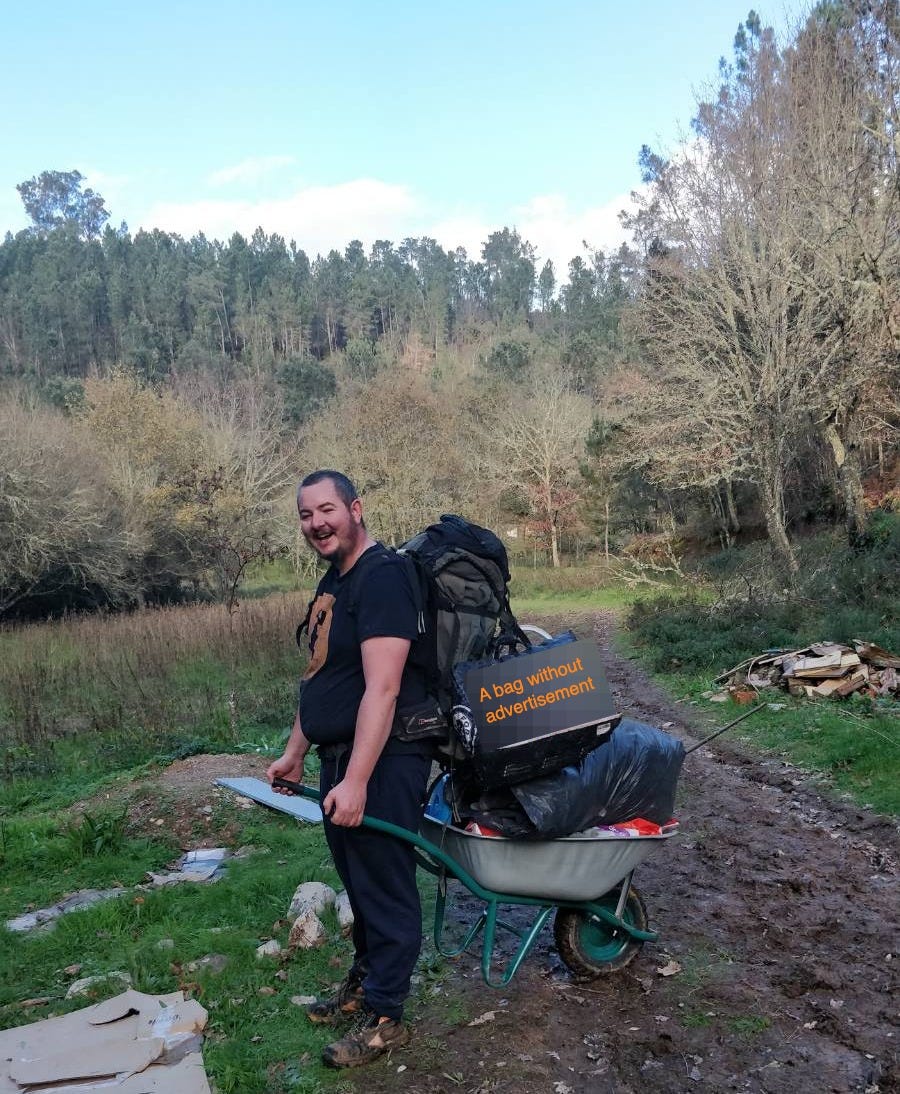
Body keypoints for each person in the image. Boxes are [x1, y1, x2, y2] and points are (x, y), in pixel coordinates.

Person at [266, 470, 433, 1069]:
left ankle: (387, 1019)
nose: (317, 523)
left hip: (385, 761)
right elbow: (323, 678)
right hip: (342, 761)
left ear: (356, 509)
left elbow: (382, 689)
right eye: (307, 514)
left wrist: (359, 778)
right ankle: (364, 986)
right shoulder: (335, 580)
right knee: (360, 885)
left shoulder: (383, 578)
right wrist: (296, 750)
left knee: (386, 890)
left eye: (327, 509)